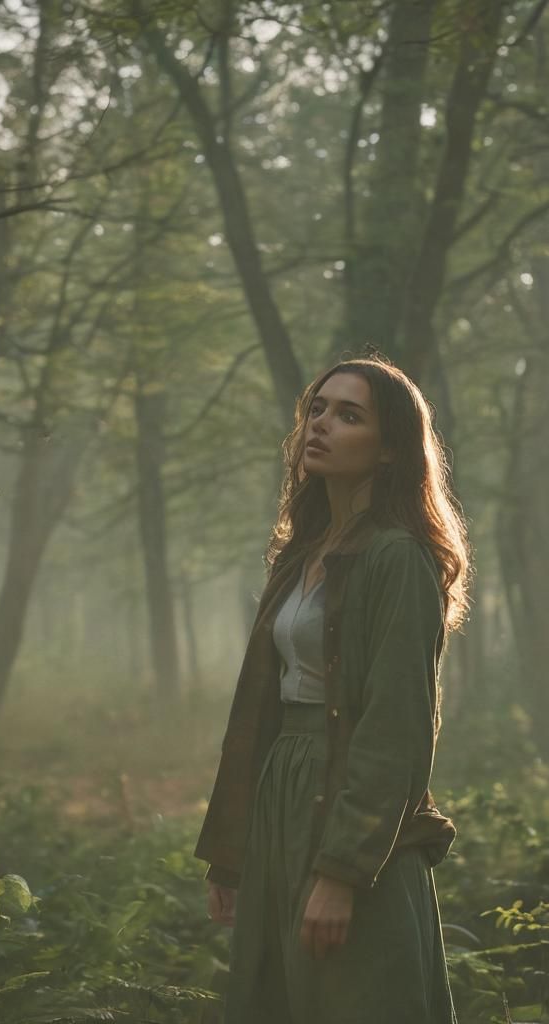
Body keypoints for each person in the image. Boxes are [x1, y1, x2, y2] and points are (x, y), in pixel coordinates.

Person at [195, 355, 470, 1024]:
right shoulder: (304, 551)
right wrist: (233, 854)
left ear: (388, 450)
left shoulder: (397, 557)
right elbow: (258, 711)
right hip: (283, 794)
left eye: (349, 415)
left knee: (357, 999)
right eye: (318, 409)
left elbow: (396, 727)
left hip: (351, 807)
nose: (321, 424)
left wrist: (343, 872)